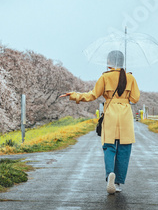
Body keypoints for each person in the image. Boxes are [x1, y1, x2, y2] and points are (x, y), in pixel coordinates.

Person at [59, 50, 140, 194]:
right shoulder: (130, 78)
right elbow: (135, 98)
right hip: (125, 115)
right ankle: (118, 182)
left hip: (110, 114)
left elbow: (92, 95)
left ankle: (110, 174)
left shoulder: (105, 77)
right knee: (124, 149)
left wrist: (74, 95)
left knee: (109, 146)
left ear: (109, 61)